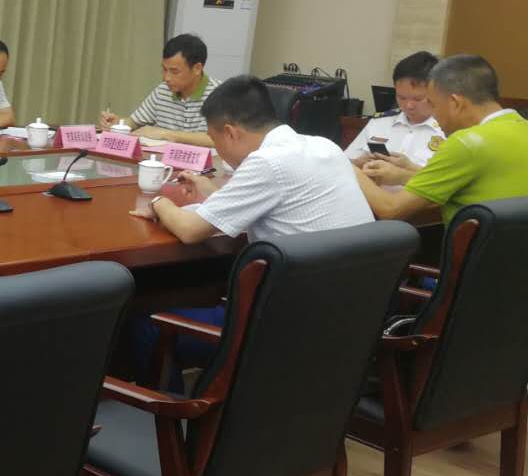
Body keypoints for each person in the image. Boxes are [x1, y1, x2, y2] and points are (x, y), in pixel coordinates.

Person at [129, 75, 373, 388]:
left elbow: (190, 230)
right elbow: (276, 205)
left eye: (215, 140)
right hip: (346, 320)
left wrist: (159, 202)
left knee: (144, 323)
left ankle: (167, 416)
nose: (218, 149)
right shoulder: (324, 146)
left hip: (283, 327)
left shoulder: (267, 162)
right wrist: (212, 192)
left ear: (231, 133)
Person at [356, 54, 528, 223]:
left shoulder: (465, 143)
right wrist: (404, 173)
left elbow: (391, 210)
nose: (433, 115)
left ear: (455, 103)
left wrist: (348, 168)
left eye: (433, 104)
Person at [99, 33, 218, 147]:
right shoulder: (163, 90)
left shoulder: (219, 95)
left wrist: (166, 134)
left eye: (174, 71)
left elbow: (218, 138)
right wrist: (119, 124)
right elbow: (135, 121)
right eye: (164, 70)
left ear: (197, 68)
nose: (166, 78)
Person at [346, 50, 444, 181]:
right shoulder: (379, 123)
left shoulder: (449, 131)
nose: (409, 105)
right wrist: (359, 163)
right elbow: (343, 164)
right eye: (401, 97)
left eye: (418, 99)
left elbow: (450, 182)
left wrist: (408, 169)